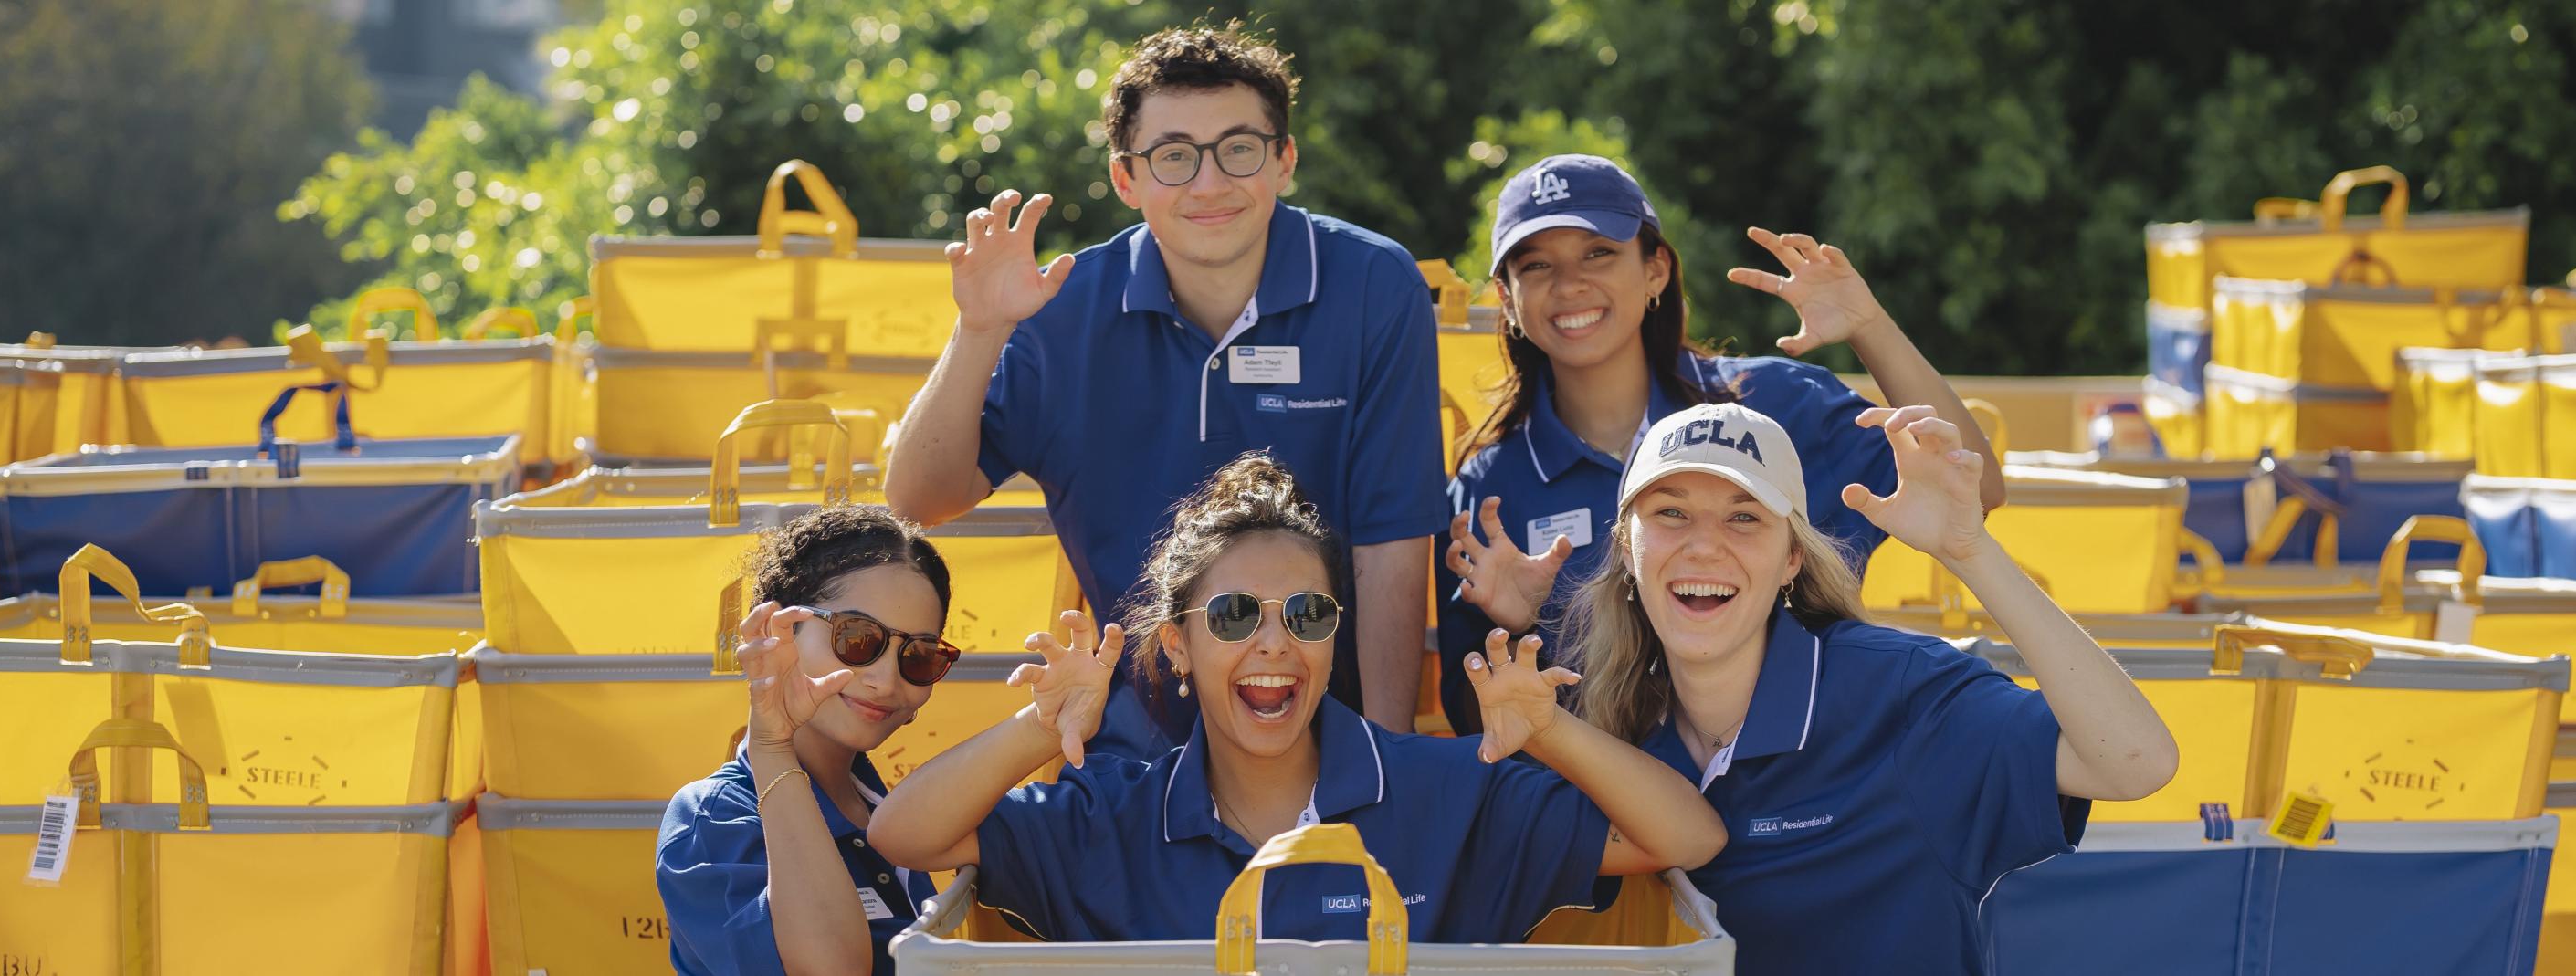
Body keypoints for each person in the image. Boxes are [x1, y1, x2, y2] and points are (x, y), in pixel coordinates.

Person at [867, 453, 1723, 943]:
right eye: (1234, 615)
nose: (1274, 643)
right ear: (1179, 644)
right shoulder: (1109, 815)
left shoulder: (1452, 787)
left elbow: (1688, 834)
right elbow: (905, 832)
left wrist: (1547, 734)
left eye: (1307, 614)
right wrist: (1038, 728)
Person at [885, 23, 1444, 757]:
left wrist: (1382, 765)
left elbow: (1391, 546)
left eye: (1239, 149)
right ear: (1126, 179)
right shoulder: (1064, 309)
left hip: (1326, 737)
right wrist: (979, 330)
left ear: (1284, 161)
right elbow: (918, 501)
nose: (1209, 184)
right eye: (1174, 157)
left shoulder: (1375, 286)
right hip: (1138, 746)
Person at [1567, 399, 2177, 973]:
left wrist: (1970, 551)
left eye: (1744, 516)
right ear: (1627, 549)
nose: (1704, 544)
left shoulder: (1900, 694)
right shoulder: (1609, 724)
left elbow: (2136, 762)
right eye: (1671, 512)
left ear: (1791, 560)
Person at [1434, 153, 2006, 735]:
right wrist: (1521, 626)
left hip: (1811, 787)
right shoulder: (1488, 491)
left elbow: (1975, 487)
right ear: (1506, 298)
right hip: (1620, 816)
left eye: (1598, 252)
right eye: (1535, 265)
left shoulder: (1775, 402)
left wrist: (1869, 325)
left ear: (1655, 270)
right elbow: (1476, 723)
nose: (1570, 284)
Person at [657, 507, 963, 976]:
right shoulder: (712, 819)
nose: (885, 680)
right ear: (776, 632)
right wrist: (773, 746)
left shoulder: (882, 805)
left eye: (918, 656)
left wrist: (1046, 722)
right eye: (858, 639)